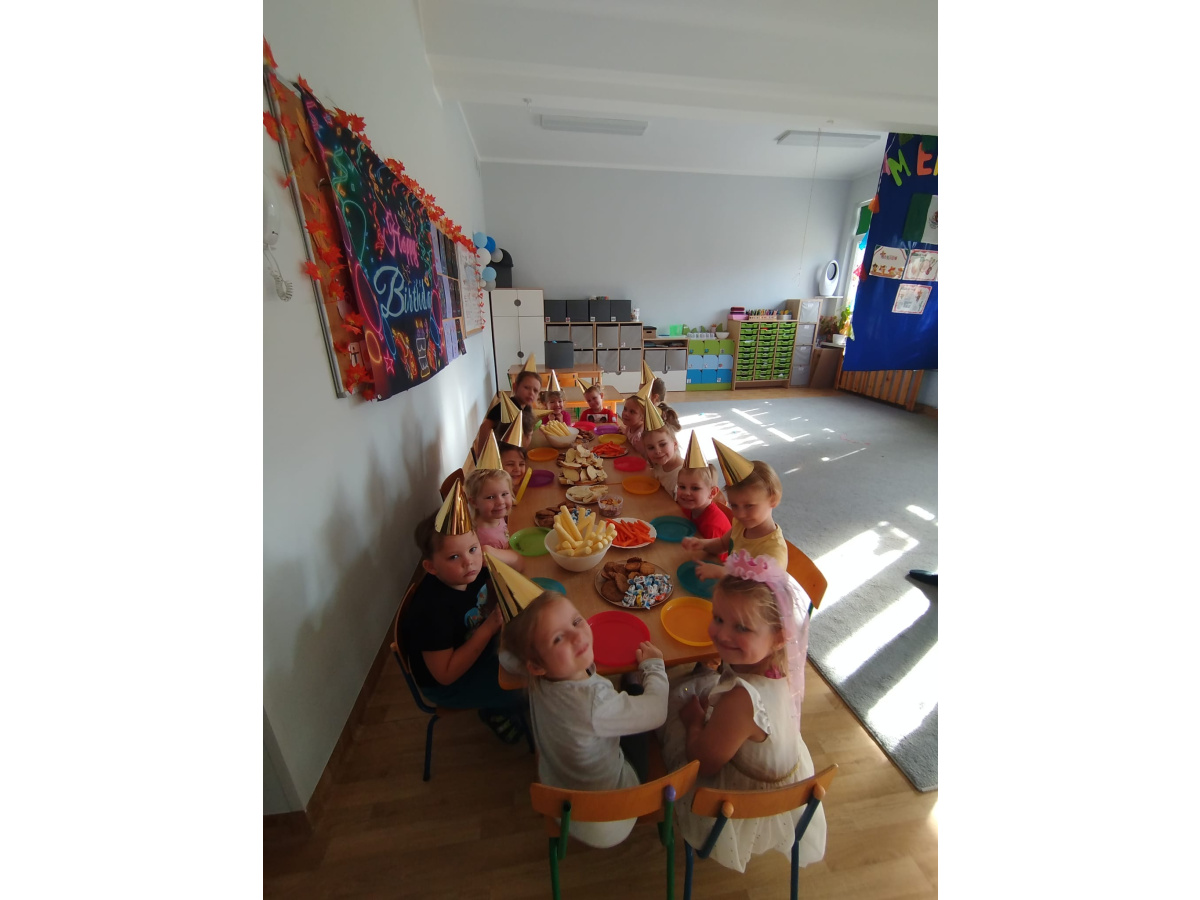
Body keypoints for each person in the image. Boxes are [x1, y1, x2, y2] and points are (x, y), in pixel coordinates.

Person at [657, 551, 825, 874]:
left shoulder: (741, 701)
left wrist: (695, 722)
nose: (722, 634)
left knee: (671, 704)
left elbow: (702, 760)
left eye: (742, 628)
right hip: (782, 778)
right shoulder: (778, 667)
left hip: (738, 806)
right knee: (701, 687)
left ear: (779, 638)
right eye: (718, 618)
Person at [501, 591, 669, 847]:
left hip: (562, 801)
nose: (578, 636)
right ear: (535, 666)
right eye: (558, 638)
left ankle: (629, 686)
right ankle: (633, 684)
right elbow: (657, 711)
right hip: (611, 819)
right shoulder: (595, 703)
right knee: (635, 695)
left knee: (617, 710)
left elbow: (506, 657)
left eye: (576, 621)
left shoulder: (535, 671)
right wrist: (654, 666)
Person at [402, 485, 527, 744]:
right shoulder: (431, 610)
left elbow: (520, 563)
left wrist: (491, 553)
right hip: (448, 686)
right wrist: (489, 628)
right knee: (525, 683)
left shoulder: (473, 568)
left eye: (472, 549)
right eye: (453, 557)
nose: (468, 561)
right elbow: (445, 675)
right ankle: (496, 711)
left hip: (478, 645)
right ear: (431, 567)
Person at [682, 442, 786, 580]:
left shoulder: (774, 552)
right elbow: (722, 544)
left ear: (773, 500)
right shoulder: (741, 524)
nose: (740, 514)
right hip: (727, 586)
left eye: (749, 506)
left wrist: (721, 572)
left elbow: (760, 587)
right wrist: (701, 544)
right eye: (734, 505)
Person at [463, 468, 525, 570]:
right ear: (474, 502)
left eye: (504, 494)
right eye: (490, 497)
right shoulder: (487, 540)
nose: (500, 502)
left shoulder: (493, 516)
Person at [675, 434, 732, 541]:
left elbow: (713, 553)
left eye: (695, 488)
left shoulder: (712, 526)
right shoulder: (689, 507)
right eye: (682, 487)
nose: (686, 492)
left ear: (712, 492)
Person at [475, 369, 540, 456]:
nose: (531, 393)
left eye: (535, 391)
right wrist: (482, 454)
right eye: (526, 388)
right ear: (515, 387)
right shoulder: (504, 407)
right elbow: (485, 426)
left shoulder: (527, 408)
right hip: (502, 454)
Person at [642, 408, 684, 498]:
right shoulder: (658, 465)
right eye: (651, 448)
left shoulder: (682, 475)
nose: (657, 451)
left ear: (675, 444)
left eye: (662, 444)